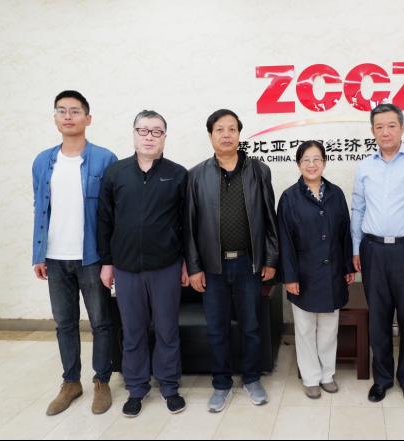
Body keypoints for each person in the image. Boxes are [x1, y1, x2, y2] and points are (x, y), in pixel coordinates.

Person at [184, 109, 278, 413]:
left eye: (232, 129)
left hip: (249, 264)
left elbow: (270, 218)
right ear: (210, 135)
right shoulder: (196, 175)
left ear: (239, 133)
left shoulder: (259, 171)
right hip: (213, 267)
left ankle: (252, 378)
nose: (226, 135)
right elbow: (189, 226)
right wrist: (194, 267)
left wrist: (270, 259)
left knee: (251, 325)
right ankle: (221, 383)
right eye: (220, 130)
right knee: (217, 328)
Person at [97, 110, 189, 417]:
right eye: (143, 130)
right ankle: (136, 388)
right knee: (133, 330)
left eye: (156, 131)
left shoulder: (178, 174)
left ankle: (169, 386)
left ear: (165, 137)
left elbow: (187, 223)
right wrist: (107, 263)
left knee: (167, 329)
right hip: (126, 267)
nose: (149, 137)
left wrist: (187, 263)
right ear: (134, 134)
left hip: (166, 265)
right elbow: (104, 220)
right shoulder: (116, 173)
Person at [32, 90, 117, 416]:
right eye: (61, 111)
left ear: (88, 118)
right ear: (55, 118)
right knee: (64, 323)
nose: (68, 116)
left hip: (91, 256)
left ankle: (102, 381)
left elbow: (112, 214)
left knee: (101, 322)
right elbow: (40, 209)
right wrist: (38, 254)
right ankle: (71, 382)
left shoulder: (105, 159)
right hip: (55, 257)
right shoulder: (42, 161)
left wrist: (110, 260)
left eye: (75, 111)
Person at [350, 103, 404, 404]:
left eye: (391, 126)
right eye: (379, 127)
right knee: (379, 318)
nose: (385, 132)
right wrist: (355, 247)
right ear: (372, 131)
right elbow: (358, 209)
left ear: (402, 128)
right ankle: (382, 379)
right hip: (372, 249)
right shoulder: (365, 167)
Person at [278, 140, 355, 399]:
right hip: (303, 275)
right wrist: (289, 276)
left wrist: (347, 266)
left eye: (317, 159)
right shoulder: (289, 197)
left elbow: (345, 234)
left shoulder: (336, 194)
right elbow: (285, 241)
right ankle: (311, 377)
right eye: (306, 160)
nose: (312, 165)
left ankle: (327, 375)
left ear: (324, 162)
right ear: (298, 164)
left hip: (333, 273)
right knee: (304, 329)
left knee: (329, 329)